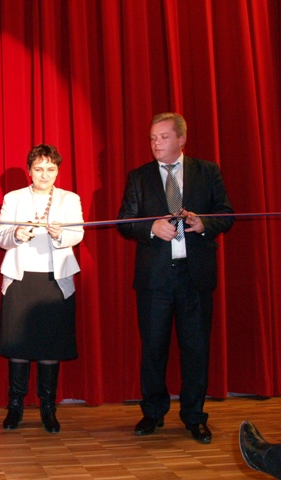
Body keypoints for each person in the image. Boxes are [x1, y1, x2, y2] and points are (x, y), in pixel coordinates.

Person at [117, 112, 234, 444]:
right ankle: (153, 412)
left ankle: (194, 417)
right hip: (155, 279)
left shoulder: (206, 171)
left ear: (181, 139)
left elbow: (226, 214)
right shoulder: (139, 177)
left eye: (164, 137)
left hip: (195, 276)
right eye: (153, 138)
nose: (156, 144)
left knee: (196, 349)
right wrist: (152, 227)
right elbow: (125, 221)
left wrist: (203, 224)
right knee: (153, 348)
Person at [0, 144, 84, 433]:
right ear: (29, 171)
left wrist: (61, 235)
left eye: (50, 169)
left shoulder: (70, 199)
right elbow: (0, 236)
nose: (44, 174)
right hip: (20, 280)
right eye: (38, 169)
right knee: (18, 347)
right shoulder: (13, 198)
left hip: (54, 282)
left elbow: (78, 233)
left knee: (50, 347)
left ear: (57, 171)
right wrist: (16, 234)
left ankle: (48, 407)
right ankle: (15, 406)